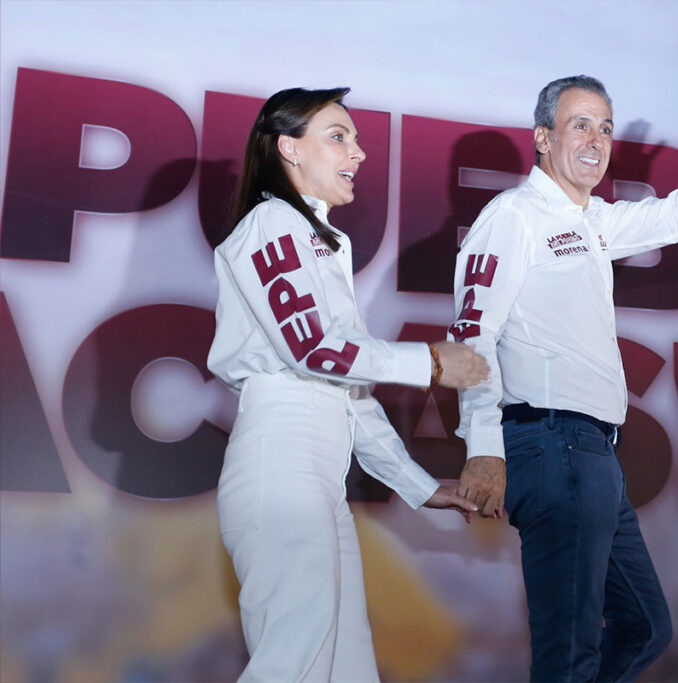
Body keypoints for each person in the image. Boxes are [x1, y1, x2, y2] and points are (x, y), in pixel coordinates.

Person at [450, 54, 678, 681]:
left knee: (644, 627)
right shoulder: (513, 218)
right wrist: (484, 447)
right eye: (579, 125)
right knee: (568, 654)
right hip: (550, 446)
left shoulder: (594, 222)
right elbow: (471, 335)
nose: (596, 140)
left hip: (592, 456)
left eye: (604, 127)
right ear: (543, 138)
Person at [207, 87, 488, 683]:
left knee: (345, 664)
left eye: (355, 139)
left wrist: (418, 487)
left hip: (317, 471)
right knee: (295, 658)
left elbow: (348, 391)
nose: (358, 152)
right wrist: (431, 362)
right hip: (280, 459)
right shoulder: (271, 223)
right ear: (289, 148)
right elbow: (312, 350)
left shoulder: (323, 240)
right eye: (338, 136)